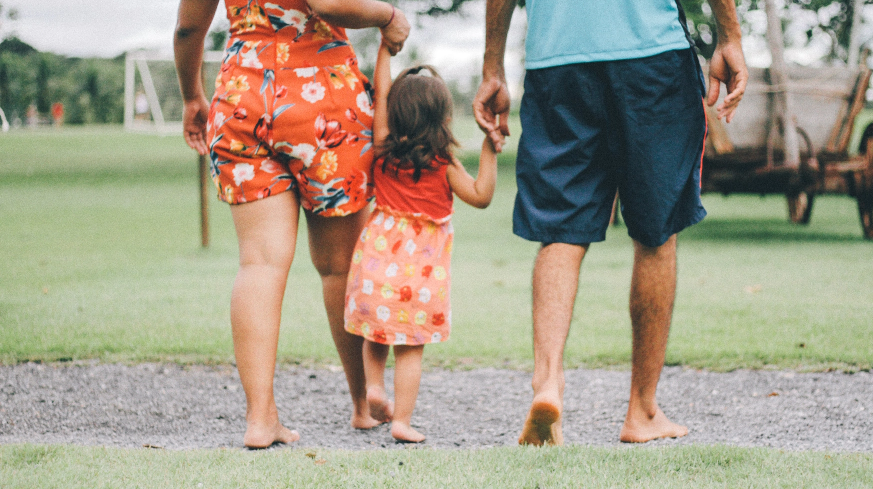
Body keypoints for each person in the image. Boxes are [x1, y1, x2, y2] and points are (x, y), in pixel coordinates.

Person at [473, 0, 748, 445]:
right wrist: (729, 36)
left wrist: (493, 67)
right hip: (650, 55)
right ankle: (642, 411)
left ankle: (547, 384)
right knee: (656, 234)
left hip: (556, 59)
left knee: (560, 230)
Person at [174, 0, 410, 449]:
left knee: (258, 264)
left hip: (242, 96)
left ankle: (261, 418)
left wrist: (192, 96)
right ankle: (363, 403)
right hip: (322, 96)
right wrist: (387, 15)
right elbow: (326, 3)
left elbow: (188, 30)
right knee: (340, 265)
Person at [344, 42, 498, 443]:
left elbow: (380, 89)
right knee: (409, 347)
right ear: (442, 117)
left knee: (375, 332)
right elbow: (481, 196)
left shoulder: (382, 148)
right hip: (421, 274)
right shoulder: (443, 163)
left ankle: (373, 388)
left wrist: (383, 49)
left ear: (394, 112)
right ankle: (402, 422)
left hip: (377, 262)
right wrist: (489, 146)